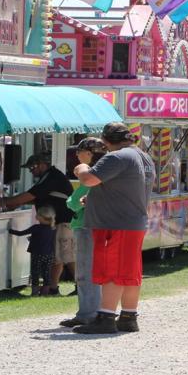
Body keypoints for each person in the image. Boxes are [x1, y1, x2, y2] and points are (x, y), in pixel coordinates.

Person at [72, 122, 155, 333]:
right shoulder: (143, 157)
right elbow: (125, 188)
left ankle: (106, 317)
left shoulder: (117, 156)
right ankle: (128, 316)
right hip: (133, 222)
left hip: (115, 223)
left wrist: (82, 167)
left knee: (112, 271)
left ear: (107, 141)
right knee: (129, 272)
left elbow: (89, 179)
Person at [0, 153, 76, 294]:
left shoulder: (51, 177)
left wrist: (6, 201)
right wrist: (15, 202)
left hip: (64, 221)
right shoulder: (47, 177)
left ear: (42, 164)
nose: (31, 171)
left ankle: (80, 287)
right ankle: (53, 288)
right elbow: (39, 197)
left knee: (66, 256)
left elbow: (31, 195)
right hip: (59, 221)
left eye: (32, 167)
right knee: (58, 257)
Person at [59, 138, 106, 328]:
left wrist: (71, 200)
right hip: (100, 226)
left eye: (80, 151)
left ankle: (87, 314)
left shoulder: (90, 176)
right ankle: (100, 311)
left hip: (86, 226)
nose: (77, 155)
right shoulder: (106, 172)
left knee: (85, 272)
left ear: (89, 154)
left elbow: (73, 202)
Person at [10, 207, 59, 297]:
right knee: (46, 273)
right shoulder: (53, 228)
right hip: (49, 254)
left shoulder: (36, 227)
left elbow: (21, 233)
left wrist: (9, 230)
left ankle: (35, 293)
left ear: (40, 217)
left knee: (35, 273)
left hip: (37, 254)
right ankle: (45, 293)